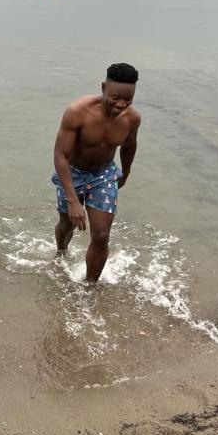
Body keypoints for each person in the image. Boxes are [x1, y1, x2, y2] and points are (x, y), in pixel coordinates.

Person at [52, 63, 140, 282]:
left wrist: (125, 174)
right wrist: (73, 201)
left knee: (101, 235)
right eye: (116, 97)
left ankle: (90, 286)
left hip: (104, 175)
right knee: (67, 224)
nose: (121, 104)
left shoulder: (132, 119)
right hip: (72, 173)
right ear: (103, 88)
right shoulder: (78, 112)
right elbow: (60, 155)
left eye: (128, 99)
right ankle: (61, 252)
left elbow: (129, 145)